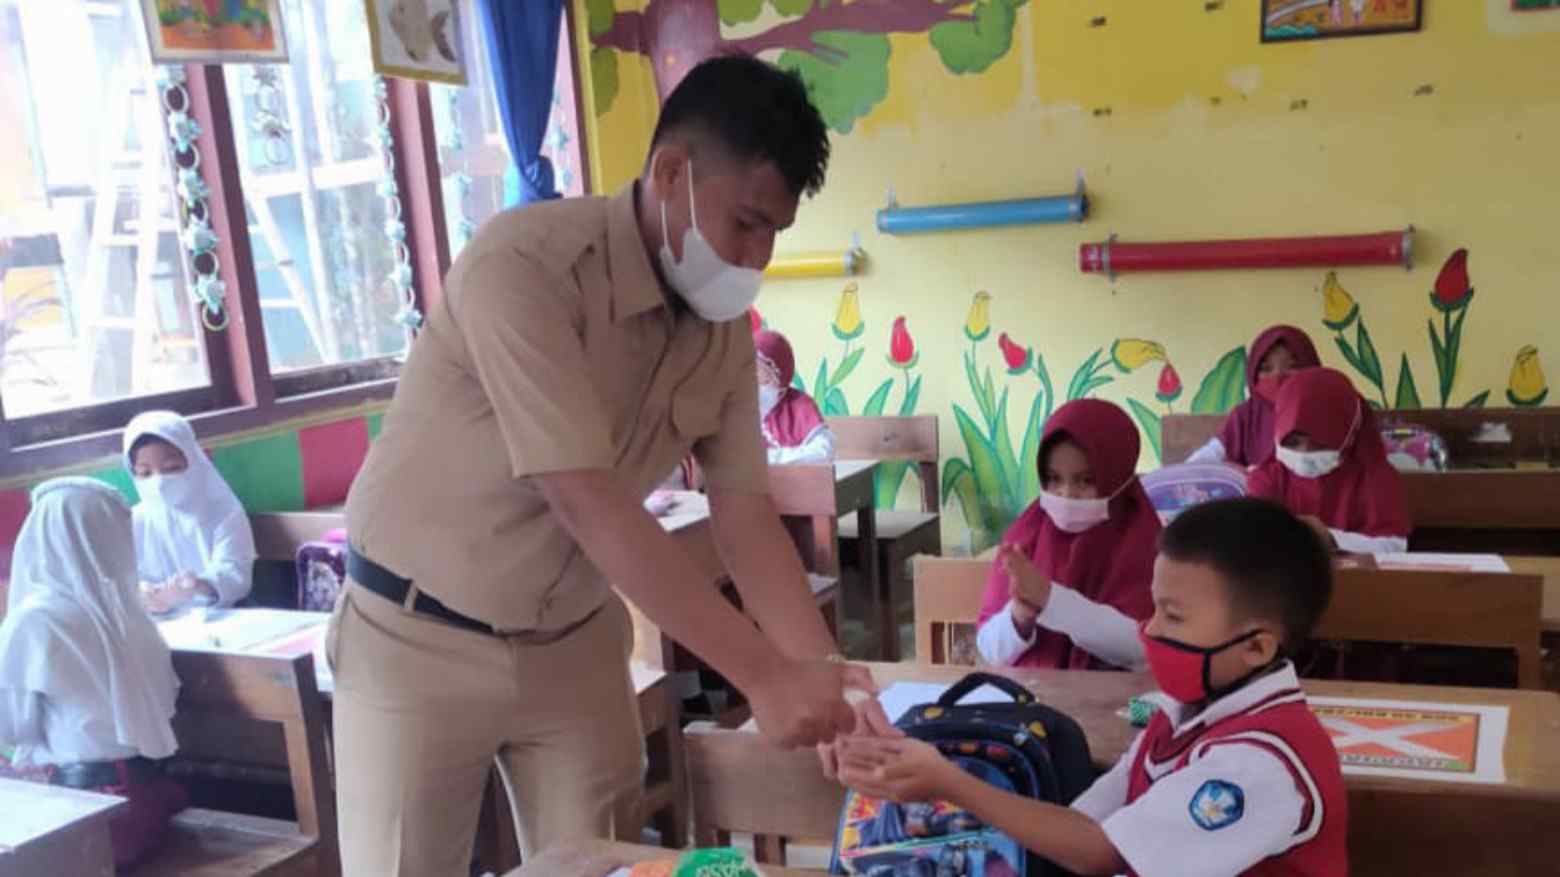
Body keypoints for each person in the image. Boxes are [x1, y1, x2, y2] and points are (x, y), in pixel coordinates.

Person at [333, 55, 889, 875]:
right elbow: (589, 503)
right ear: (670, 172)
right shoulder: (524, 268)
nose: (757, 253)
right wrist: (763, 677)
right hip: (418, 633)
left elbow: (743, 514)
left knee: (605, 865)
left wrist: (825, 684)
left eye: (774, 231)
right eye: (744, 222)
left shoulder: (721, 328)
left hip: (573, 638)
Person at [839, 498, 1347, 876]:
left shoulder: (1262, 764)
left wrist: (949, 782)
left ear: (1256, 648)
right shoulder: (1186, 711)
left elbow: (1102, 852)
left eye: (1173, 616)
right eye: (1153, 607)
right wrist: (939, 789)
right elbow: (1086, 821)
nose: (1150, 630)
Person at [0, 478, 187, 869]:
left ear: (41, 535)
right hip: (149, 804)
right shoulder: (132, 615)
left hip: (88, 818)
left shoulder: (34, 621)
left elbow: (10, 728)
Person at [975, 399, 1159, 671]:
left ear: (1117, 476)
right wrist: (1020, 617)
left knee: (1144, 710)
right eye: (1053, 479)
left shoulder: (1147, 545)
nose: (1067, 494)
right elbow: (989, 651)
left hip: (1117, 706)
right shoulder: (1025, 538)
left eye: (1086, 480)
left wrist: (1051, 600)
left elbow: (1144, 648)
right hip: (1035, 702)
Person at [1248, 367, 1410, 553]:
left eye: (1320, 443)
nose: (1305, 453)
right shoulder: (1266, 478)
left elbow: (1394, 546)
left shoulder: (1377, 479)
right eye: (1293, 442)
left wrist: (1330, 538)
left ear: (1348, 436)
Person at [124, 411, 257, 613]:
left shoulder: (224, 512)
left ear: (194, 462)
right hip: (159, 625)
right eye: (145, 473)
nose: (159, 482)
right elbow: (123, 576)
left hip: (221, 620)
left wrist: (197, 586)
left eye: (171, 468)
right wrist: (141, 592)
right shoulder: (134, 520)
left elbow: (236, 574)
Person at [1187, 325, 1322, 467]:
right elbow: (1209, 456)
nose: (1278, 376)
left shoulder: (1327, 411)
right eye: (1266, 369)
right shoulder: (1244, 415)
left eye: (1292, 366)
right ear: (1253, 374)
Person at [755, 328, 836, 465]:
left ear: (777, 374)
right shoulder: (738, 406)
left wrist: (774, 458)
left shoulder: (800, 405)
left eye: (757, 371)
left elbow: (824, 450)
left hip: (796, 483)